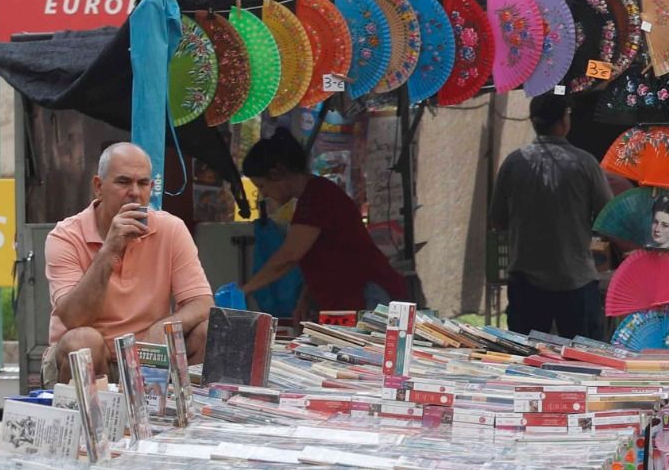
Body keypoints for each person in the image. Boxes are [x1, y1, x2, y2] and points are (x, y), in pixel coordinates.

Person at [43, 142, 212, 383]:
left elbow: (202, 303)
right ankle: (90, 420)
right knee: (84, 342)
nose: (134, 192)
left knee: (206, 332)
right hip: (88, 358)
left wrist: (164, 327)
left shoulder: (170, 229)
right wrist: (110, 249)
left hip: (148, 356)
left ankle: (184, 417)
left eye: (143, 183)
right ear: (98, 187)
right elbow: (73, 319)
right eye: (123, 182)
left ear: (152, 188)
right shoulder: (66, 235)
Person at [239, 128, 409, 316]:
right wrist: (305, 300)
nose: (264, 194)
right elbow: (318, 256)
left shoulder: (317, 197)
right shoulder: (311, 198)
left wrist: (245, 290)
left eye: (262, 186)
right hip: (345, 304)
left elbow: (289, 256)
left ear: (277, 172)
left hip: (370, 297)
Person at [490, 94, 614, 339]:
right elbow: (608, 217)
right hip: (576, 279)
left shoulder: (514, 163)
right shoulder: (585, 164)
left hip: (526, 281)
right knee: (583, 360)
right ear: (563, 122)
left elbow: (497, 220)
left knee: (526, 361)